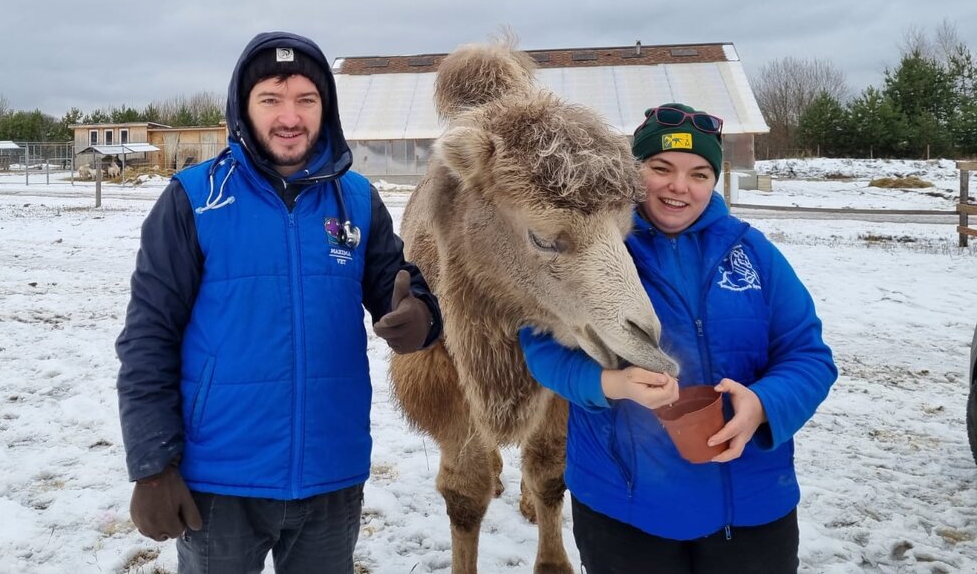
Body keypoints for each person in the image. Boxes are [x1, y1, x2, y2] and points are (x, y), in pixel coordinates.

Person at [115, 31, 442, 574]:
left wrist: (423, 316)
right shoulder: (194, 199)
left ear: (325, 108)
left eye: (305, 100)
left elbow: (398, 284)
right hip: (219, 482)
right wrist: (152, 467)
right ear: (243, 107)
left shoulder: (357, 199)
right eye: (271, 99)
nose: (289, 117)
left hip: (330, 475)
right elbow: (148, 338)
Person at [520, 102, 837, 574]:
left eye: (699, 173)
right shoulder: (592, 246)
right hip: (622, 509)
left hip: (751, 506)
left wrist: (764, 405)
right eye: (660, 168)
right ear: (633, 172)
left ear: (714, 181)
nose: (679, 187)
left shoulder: (753, 253)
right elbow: (541, 346)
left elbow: (808, 355)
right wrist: (611, 385)